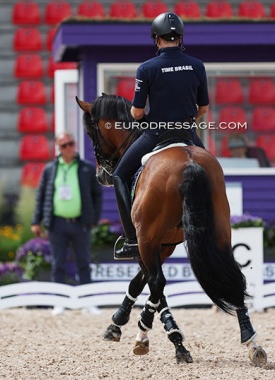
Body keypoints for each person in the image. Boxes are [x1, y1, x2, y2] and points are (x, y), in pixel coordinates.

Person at [112, 12, 210, 260]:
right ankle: (212, 229)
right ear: (180, 38)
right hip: (187, 133)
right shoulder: (197, 65)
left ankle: (131, 239)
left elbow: (136, 113)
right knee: (209, 173)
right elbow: (204, 109)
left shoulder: (146, 68)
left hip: (156, 133)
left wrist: (146, 121)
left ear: (157, 39)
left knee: (119, 176)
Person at [31, 132, 103, 315]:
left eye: (70, 144)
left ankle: (88, 302)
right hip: (57, 224)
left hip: (80, 223)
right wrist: (36, 221)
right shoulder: (50, 169)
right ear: (58, 148)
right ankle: (59, 302)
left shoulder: (86, 168)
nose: (68, 148)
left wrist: (94, 218)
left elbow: (97, 194)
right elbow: (41, 196)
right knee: (58, 264)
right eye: (64, 145)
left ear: (75, 144)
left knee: (84, 263)